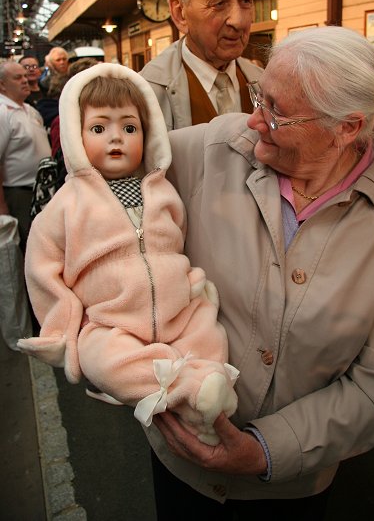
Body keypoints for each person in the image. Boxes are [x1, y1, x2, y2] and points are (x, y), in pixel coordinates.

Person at [144, 26, 374, 520]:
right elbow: (105, 173)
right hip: (179, 460)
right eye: (259, 96)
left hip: (287, 489)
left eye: (276, 110)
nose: (254, 120)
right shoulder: (213, 149)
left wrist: (264, 452)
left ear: (347, 128)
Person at [17, 62, 239, 443]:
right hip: (110, 320)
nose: (116, 139)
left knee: (208, 329)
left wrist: (190, 283)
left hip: (178, 307)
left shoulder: (163, 190)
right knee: (101, 359)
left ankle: (206, 394)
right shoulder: (67, 204)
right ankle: (190, 391)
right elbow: (42, 267)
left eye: (130, 128)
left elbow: (178, 240)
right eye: (99, 128)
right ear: (75, 135)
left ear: (148, 133)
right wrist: (62, 326)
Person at [141, 0, 263, 130]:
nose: (239, 21)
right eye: (219, 3)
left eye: (246, 1)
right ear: (180, 13)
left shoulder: (265, 84)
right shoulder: (145, 94)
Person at [0, 61, 51, 249]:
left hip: (41, 189)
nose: (25, 81)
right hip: (18, 193)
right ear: (2, 85)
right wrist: (2, 207)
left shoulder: (30, 110)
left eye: (24, 76)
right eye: (17, 77)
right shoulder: (3, 112)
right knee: (29, 246)